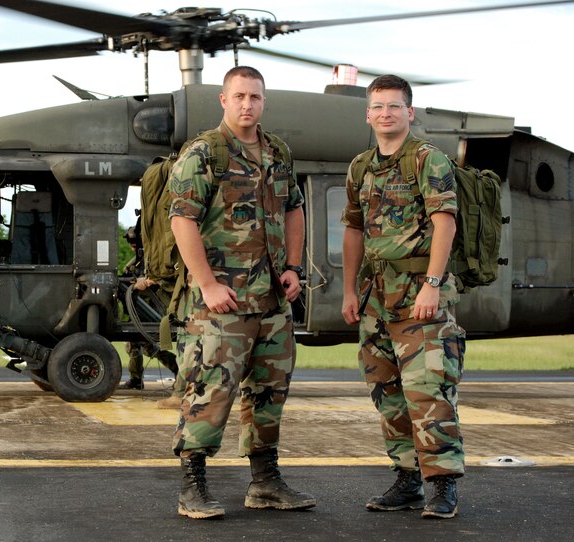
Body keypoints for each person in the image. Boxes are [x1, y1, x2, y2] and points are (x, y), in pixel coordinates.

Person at [168, 65, 313, 519]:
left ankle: (265, 483)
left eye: (255, 97)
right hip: (222, 304)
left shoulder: (277, 151)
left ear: (263, 101)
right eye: (239, 96)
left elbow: (294, 210)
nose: (247, 104)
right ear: (224, 101)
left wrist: (292, 267)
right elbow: (182, 219)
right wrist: (207, 283)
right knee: (209, 391)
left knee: (269, 394)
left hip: (272, 301)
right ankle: (193, 487)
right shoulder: (204, 152)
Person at [340, 74, 466, 520]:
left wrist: (432, 284)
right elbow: (354, 230)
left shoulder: (427, 159)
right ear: (368, 113)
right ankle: (408, 477)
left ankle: (442, 484)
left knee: (429, 389)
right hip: (376, 297)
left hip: (419, 294)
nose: (385, 113)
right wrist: (350, 288)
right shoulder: (360, 167)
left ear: (409, 113)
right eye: (377, 106)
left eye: (394, 106)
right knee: (387, 391)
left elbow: (444, 221)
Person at [119, 226, 179, 391]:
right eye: (130, 244)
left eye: (134, 243)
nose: (132, 246)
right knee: (134, 345)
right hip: (137, 308)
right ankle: (136, 379)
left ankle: (179, 371)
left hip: (150, 308)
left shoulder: (152, 259)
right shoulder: (137, 260)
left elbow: (158, 279)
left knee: (150, 347)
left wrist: (143, 282)